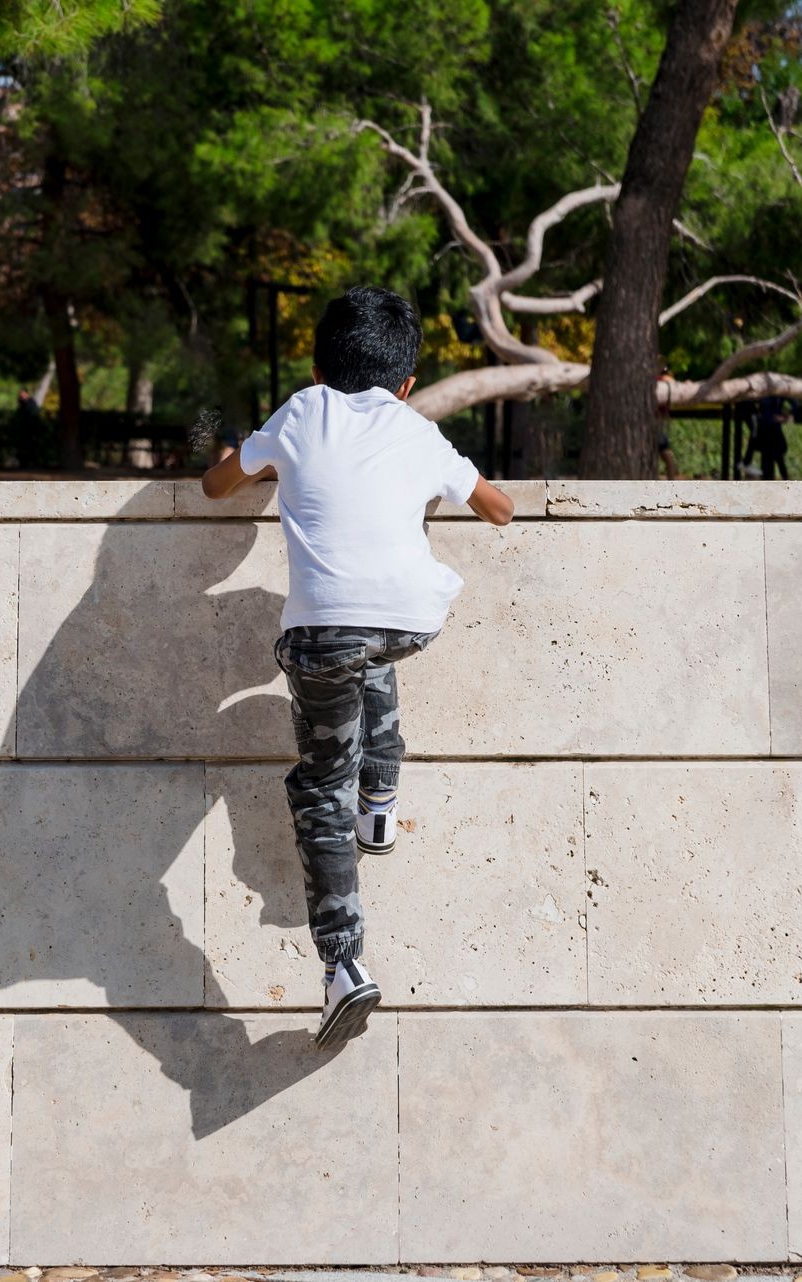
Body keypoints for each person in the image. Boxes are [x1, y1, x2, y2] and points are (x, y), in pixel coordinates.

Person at [198, 286, 514, 1048]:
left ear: (315, 366)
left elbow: (218, 485)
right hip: (411, 620)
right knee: (370, 647)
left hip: (323, 634)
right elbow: (497, 508)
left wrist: (255, 461)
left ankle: (343, 966)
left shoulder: (301, 413)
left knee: (316, 783)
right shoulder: (419, 430)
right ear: (404, 383)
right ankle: (381, 796)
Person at [754, 395, 790, 479]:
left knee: (777, 459)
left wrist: (784, 417)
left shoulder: (776, 394)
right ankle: (770, 483)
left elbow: (794, 405)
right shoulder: (765, 394)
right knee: (769, 462)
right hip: (766, 431)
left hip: (772, 431)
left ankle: (786, 482)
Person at [656, 365, 681, 480]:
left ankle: (671, 483)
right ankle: (671, 484)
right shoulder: (662, 381)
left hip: (656, 424)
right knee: (667, 455)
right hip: (656, 425)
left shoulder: (662, 381)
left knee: (667, 455)